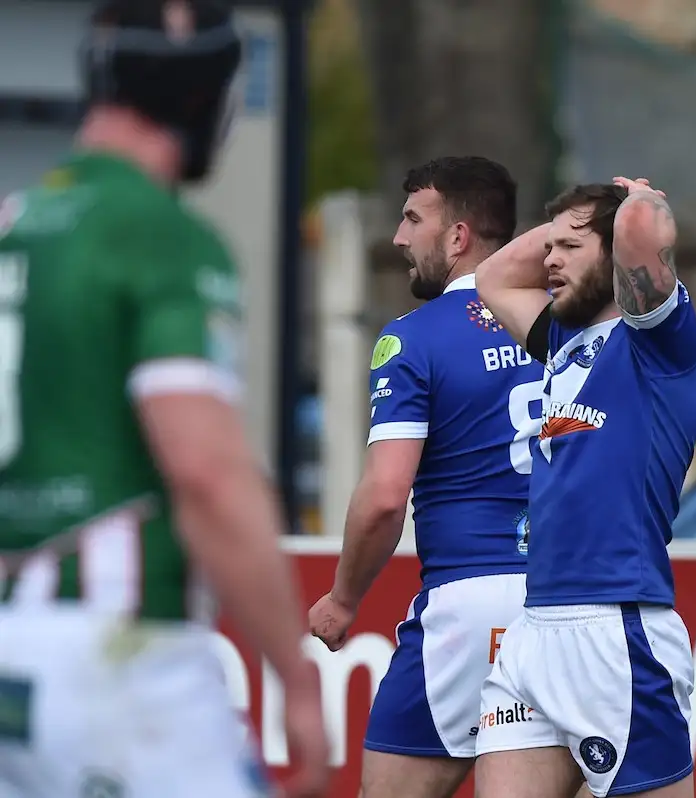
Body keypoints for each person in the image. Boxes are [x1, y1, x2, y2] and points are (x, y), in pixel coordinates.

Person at [0, 1, 328, 796]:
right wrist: (298, 676)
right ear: (199, 96)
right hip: (119, 652)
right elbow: (206, 473)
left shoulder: (15, 225)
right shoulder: (160, 234)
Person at [307, 156, 546, 798]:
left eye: (414, 218)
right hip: (575, 600)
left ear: (460, 236)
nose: (399, 238)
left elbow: (386, 498)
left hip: (472, 604)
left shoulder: (413, 339)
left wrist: (344, 598)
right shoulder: (573, 327)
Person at [469, 178, 696, 798]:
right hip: (534, 628)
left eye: (571, 247)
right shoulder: (561, 339)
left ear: (612, 255)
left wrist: (634, 202)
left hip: (617, 627)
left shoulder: (658, 341)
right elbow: (493, 278)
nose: (549, 260)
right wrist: (567, 231)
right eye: (549, 247)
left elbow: (640, 237)